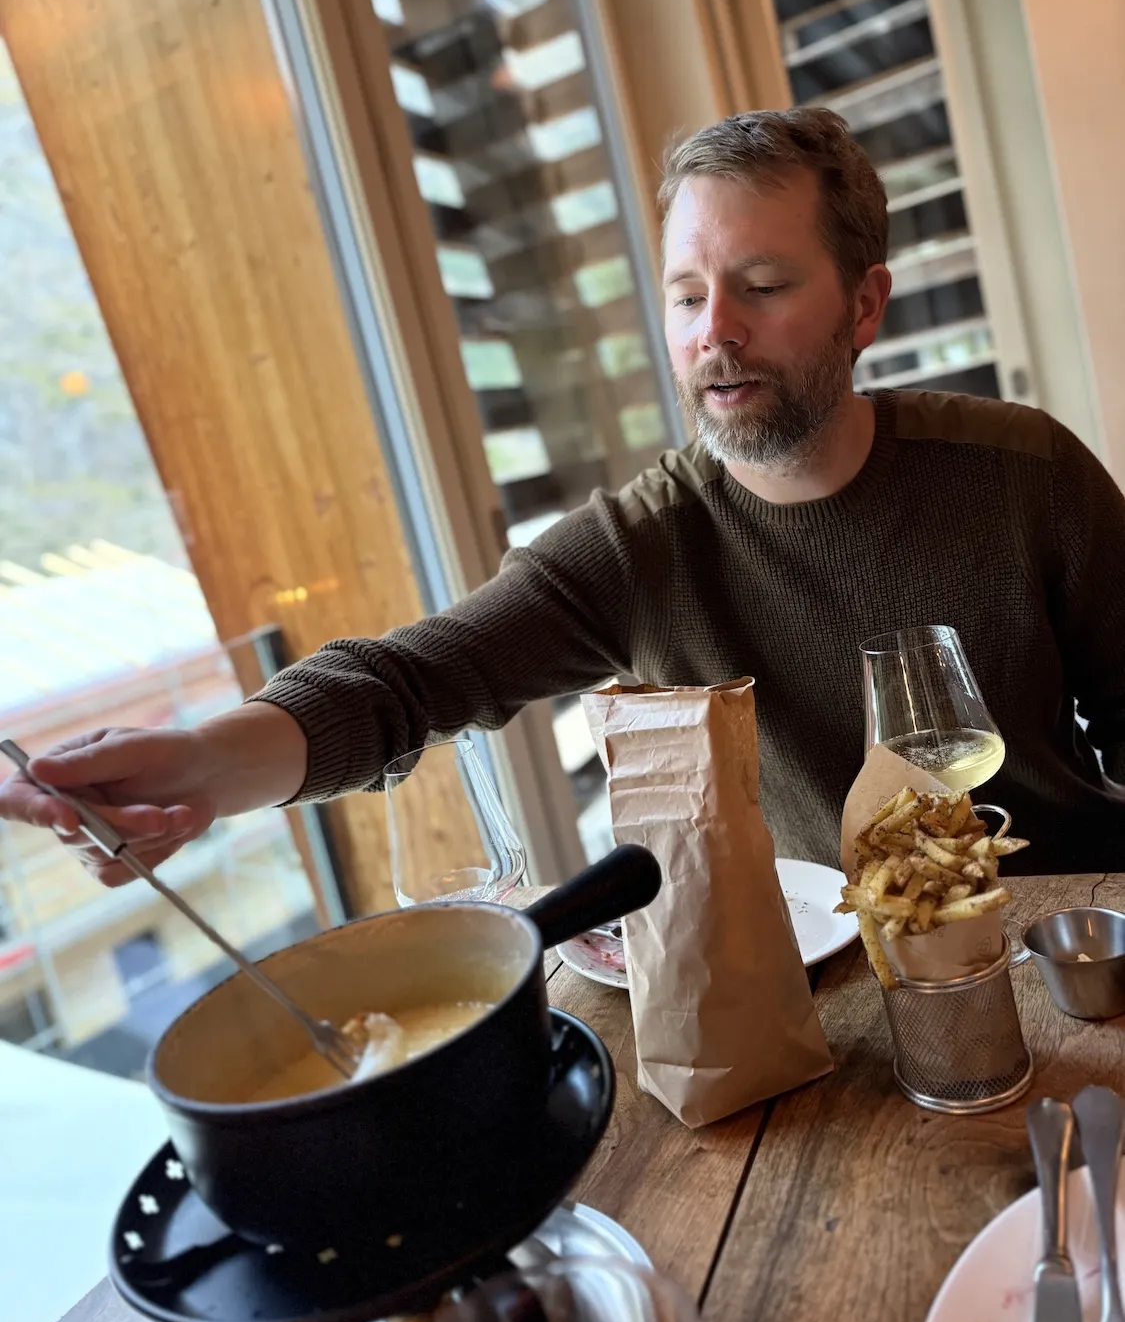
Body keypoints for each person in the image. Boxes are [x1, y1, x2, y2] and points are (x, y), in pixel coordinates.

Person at [5, 109, 1125, 879]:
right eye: (687, 294)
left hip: (1075, 932)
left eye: (763, 286)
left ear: (865, 305)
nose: (713, 331)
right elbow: (408, 681)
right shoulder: (644, 547)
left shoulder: (1024, 473)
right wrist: (203, 765)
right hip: (844, 985)